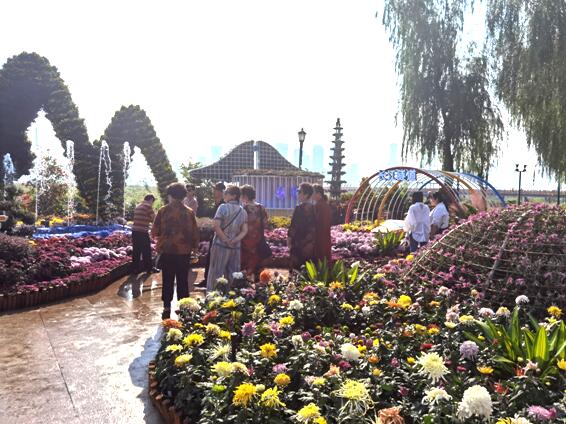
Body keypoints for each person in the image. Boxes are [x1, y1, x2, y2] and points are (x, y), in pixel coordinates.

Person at [151, 183, 199, 319]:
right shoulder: (189, 212)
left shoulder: (163, 211)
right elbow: (195, 233)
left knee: (167, 279)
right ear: (183, 195)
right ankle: (184, 309)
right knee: (183, 280)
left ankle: (167, 308)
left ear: (170, 195)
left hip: (167, 251)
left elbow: (154, 231)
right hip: (184, 252)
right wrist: (194, 248)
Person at [207, 185, 248, 292]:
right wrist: (234, 240)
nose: (224, 195)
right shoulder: (243, 211)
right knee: (233, 273)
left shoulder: (223, 207)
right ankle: (232, 296)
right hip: (235, 246)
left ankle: (212, 296)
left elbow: (216, 226)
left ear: (233, 196)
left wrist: (225, 239)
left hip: (220, 245)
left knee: (216, 272)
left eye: (226, 193)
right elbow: (244, 230)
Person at [199, 182, 226, 286]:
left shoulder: (223, 205)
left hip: (220, 235)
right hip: (214, 233)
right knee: (210, 258)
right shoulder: (216, 203)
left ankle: (215, 281)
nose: (214, 192)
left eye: (216, 190)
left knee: (215, 258)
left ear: (221, 192)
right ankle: (207, 280)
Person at [240, 185, 269, 280]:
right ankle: (258, 283)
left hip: (245, 241)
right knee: (258, 264)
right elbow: (266, 224)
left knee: (245, 265)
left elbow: (240, 225)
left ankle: (245, 284)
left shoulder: (244, 209)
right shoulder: (261, 208)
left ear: (245, 196)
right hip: (258, 241)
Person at [288, 183, 317, 270]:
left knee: (297, 268)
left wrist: (289, 239)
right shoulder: (315, 209)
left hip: (298, 243)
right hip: (310, 244)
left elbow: (293, 226)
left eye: (299, 192)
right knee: (308, 269)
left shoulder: (299, 208)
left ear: (306, 194)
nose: (298, 194)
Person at [131, 194, 156, 274]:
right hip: (142, 232)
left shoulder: (138, 206)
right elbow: (154, 219)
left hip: (135, 231)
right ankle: (149, 268)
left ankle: (135, 269)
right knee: (146, 251)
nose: (152, 203)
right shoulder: (148, 206)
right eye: (153, 201)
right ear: (151, 199)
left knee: (136, 251)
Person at [312, 184, 332, 265]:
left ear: (319, 194)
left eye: (313, 193)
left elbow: (316, 222)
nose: (311, 195)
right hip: (325, 236)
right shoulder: (325, 204)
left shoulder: (319, 205)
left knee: (320, 258)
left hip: (319, 236)